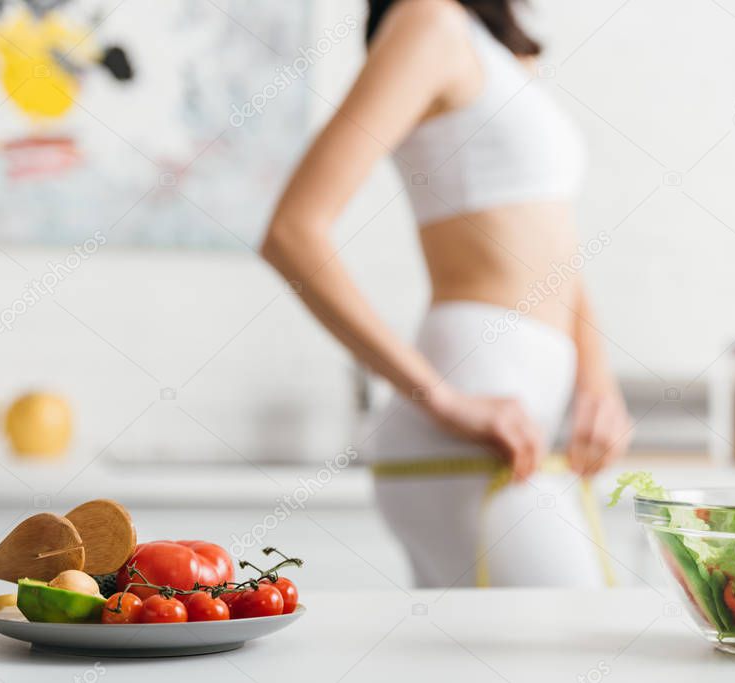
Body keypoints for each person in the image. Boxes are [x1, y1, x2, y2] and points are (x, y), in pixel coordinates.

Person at [261, 0, 632, 588]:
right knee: (581, 643)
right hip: (469, 425)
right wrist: (444, 400)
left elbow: (558, 245)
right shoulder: (426, 22)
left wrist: (597, 380)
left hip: (518, 422)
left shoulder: (500, 51)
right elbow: (291, 233)